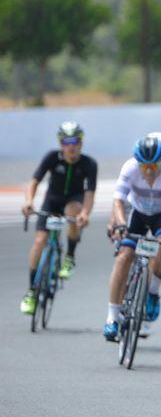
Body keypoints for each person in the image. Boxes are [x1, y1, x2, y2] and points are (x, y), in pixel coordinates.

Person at [103, 133, 161, 340]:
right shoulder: (130, 167)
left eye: (154, 166)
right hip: (137, 212)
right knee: (124, 256)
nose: (149, 171)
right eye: (145, 166)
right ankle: (112, 318)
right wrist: (121, 225)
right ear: (138, 163)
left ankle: (152, 291)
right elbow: (118, 201)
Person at [20, 122, 97, 314]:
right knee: (40, 240)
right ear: (61, 143)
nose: (71, 146)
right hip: (52, 201)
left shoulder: (89, 164)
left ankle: (69, 257)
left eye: (76, 141)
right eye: (66, 142)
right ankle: (31, 291)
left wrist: (84, 214)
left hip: (74, 201)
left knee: (73, 211)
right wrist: (29, 202)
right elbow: (34, 181)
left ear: (81, 143)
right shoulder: (52, 157)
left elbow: (89, 193)